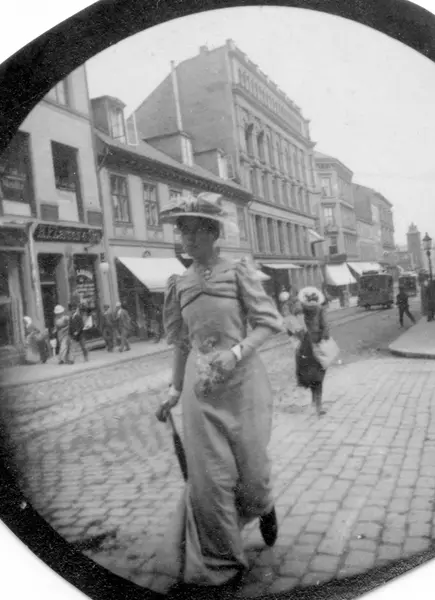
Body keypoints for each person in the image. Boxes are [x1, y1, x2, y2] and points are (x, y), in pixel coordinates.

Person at [154, 192, 284, 589]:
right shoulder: (179, 284)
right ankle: (222, 562)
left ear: (213, 233)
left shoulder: (238, 273)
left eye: (195, 231)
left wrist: (236, 352)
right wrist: (174, 390)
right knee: (210, 478)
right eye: (182, 232)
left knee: (252, 474)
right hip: (201, 392)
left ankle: (263, 504)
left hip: (244, 386)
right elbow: (181, 344)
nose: (187, 239)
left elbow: (268, 322)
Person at [294, 286, 330, 418]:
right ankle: (318, 406)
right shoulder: (320, 309)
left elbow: (293, 328)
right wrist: (323, 338)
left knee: (308, 373)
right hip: (317, 345)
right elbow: (325, 328)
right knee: (319, 375)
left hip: (305, 346)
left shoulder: (300, 310)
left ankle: (312, 401)